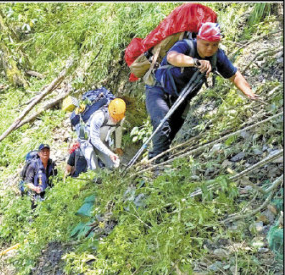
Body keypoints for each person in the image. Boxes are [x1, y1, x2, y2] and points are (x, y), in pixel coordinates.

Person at [146, 22, 257, 162]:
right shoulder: (186, 45)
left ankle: (157, 166)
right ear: (198, 39)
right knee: (161, 125)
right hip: (158, 91)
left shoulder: (218, 57)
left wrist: (249, 92)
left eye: (215, 45)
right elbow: (171, 57)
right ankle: (156, 166)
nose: (210, 49)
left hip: (181, 99)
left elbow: (234, 75)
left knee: (169, 135)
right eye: (206, 44)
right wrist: (195, 62)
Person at [80, 98, 126, 170]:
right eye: (114, 117)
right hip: (88, 142)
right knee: (94, 168)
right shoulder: (99, 117)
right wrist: (109, 153)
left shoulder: (121, 119)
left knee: (113, 166)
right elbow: (94, 140)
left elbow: (118, 131)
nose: (116, 120)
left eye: (118, 118)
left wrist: (117, 146)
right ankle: (82, 155)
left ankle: (104, 169)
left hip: (102, 141)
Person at [24, 144, 57, 209]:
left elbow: (55, 179)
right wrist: (35, 188)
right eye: (43, 151)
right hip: (36, 194)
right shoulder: (33, 165)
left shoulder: (52, 164)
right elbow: (28, 182)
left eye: (47, 151)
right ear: (39, 153)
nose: (45, 153)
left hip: (49, 194)